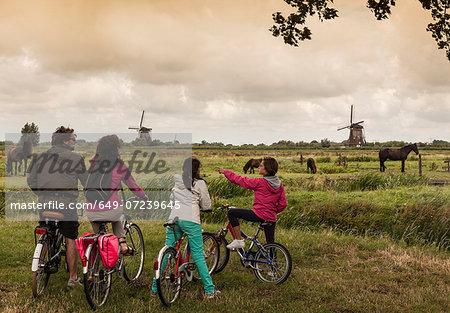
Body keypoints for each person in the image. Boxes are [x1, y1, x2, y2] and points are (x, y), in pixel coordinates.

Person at [151, 157, 221, 299]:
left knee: (168, 251)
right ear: (196, 169)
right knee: (198, 255)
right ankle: (209, 290)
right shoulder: (199, 183)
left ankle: (154, 288)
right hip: (191, 220)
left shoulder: (177, 182)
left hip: (173, 219)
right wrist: (202, 207)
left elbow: (172, 200)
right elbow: (206, 204)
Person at [28, 126, 87, 287]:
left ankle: (38, 265)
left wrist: (42, 194)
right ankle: (73, 278)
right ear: (66, 141)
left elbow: (31, 181)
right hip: (66, 204)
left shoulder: (39, 157)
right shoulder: (76, 158)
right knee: (70, 237)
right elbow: (86, 181)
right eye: (73, 139)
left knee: (46, 230)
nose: (75, 141)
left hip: (45, 202)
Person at [85, 134, 148, 254]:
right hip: (111, 210)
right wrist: (143, 196)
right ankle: (122, 243)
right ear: (115, 149)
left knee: (98, 240)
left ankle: (94, 271)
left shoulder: (94, 163)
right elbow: (133, 186)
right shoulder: (119, 165)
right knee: (118, 216)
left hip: (91, 210)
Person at [216, 157, 287, 249]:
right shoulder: (279, 184)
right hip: (271, 217)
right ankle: (273, 261)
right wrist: (272, 211)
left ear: (267, 169)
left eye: (261, 166)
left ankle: (238, 240)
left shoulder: (260, 182)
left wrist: (226, 172)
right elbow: (283, 204)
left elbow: (241, 180)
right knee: (270, 242)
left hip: (259, 214)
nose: (258, 167)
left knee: (231, 212)